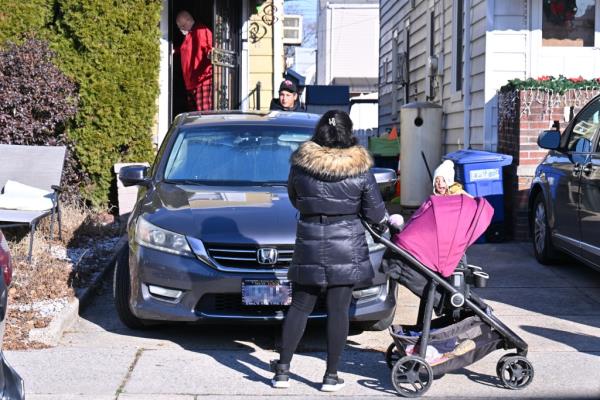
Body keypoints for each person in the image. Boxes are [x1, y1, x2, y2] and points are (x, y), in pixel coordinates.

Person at [270, 110, 388, 392]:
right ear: (349, 132)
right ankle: (331, 376)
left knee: (299, 306)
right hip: (346, 246)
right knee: (338, 311)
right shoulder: (360, 169)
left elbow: (295, 200)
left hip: (310, 240)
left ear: (319, 132)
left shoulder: (301, 165)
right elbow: (375, 213)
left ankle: (282, 372)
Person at [175, 10, 213, 111]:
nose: (181, 29)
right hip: (190, 83)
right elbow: (186, 49)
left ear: (188, 20)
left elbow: (209, 48)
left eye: (182, 26)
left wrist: (210, 53)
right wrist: (175, 50)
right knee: (193, 115)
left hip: (201, 81)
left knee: (204, 115)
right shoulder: (189, 34)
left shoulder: (201, 30)